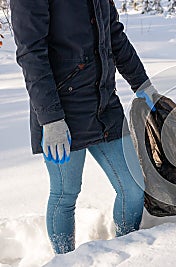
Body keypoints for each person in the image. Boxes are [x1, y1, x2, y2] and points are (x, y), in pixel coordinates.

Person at [11, 0, 157, 254]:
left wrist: (142, 83)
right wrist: (51, 119)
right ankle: (65, 258)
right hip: (61, 111)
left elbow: (114, 34)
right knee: (65, 194)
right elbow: (31, 54)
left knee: (133, 187)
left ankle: (128, 251)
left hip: (104, 104)